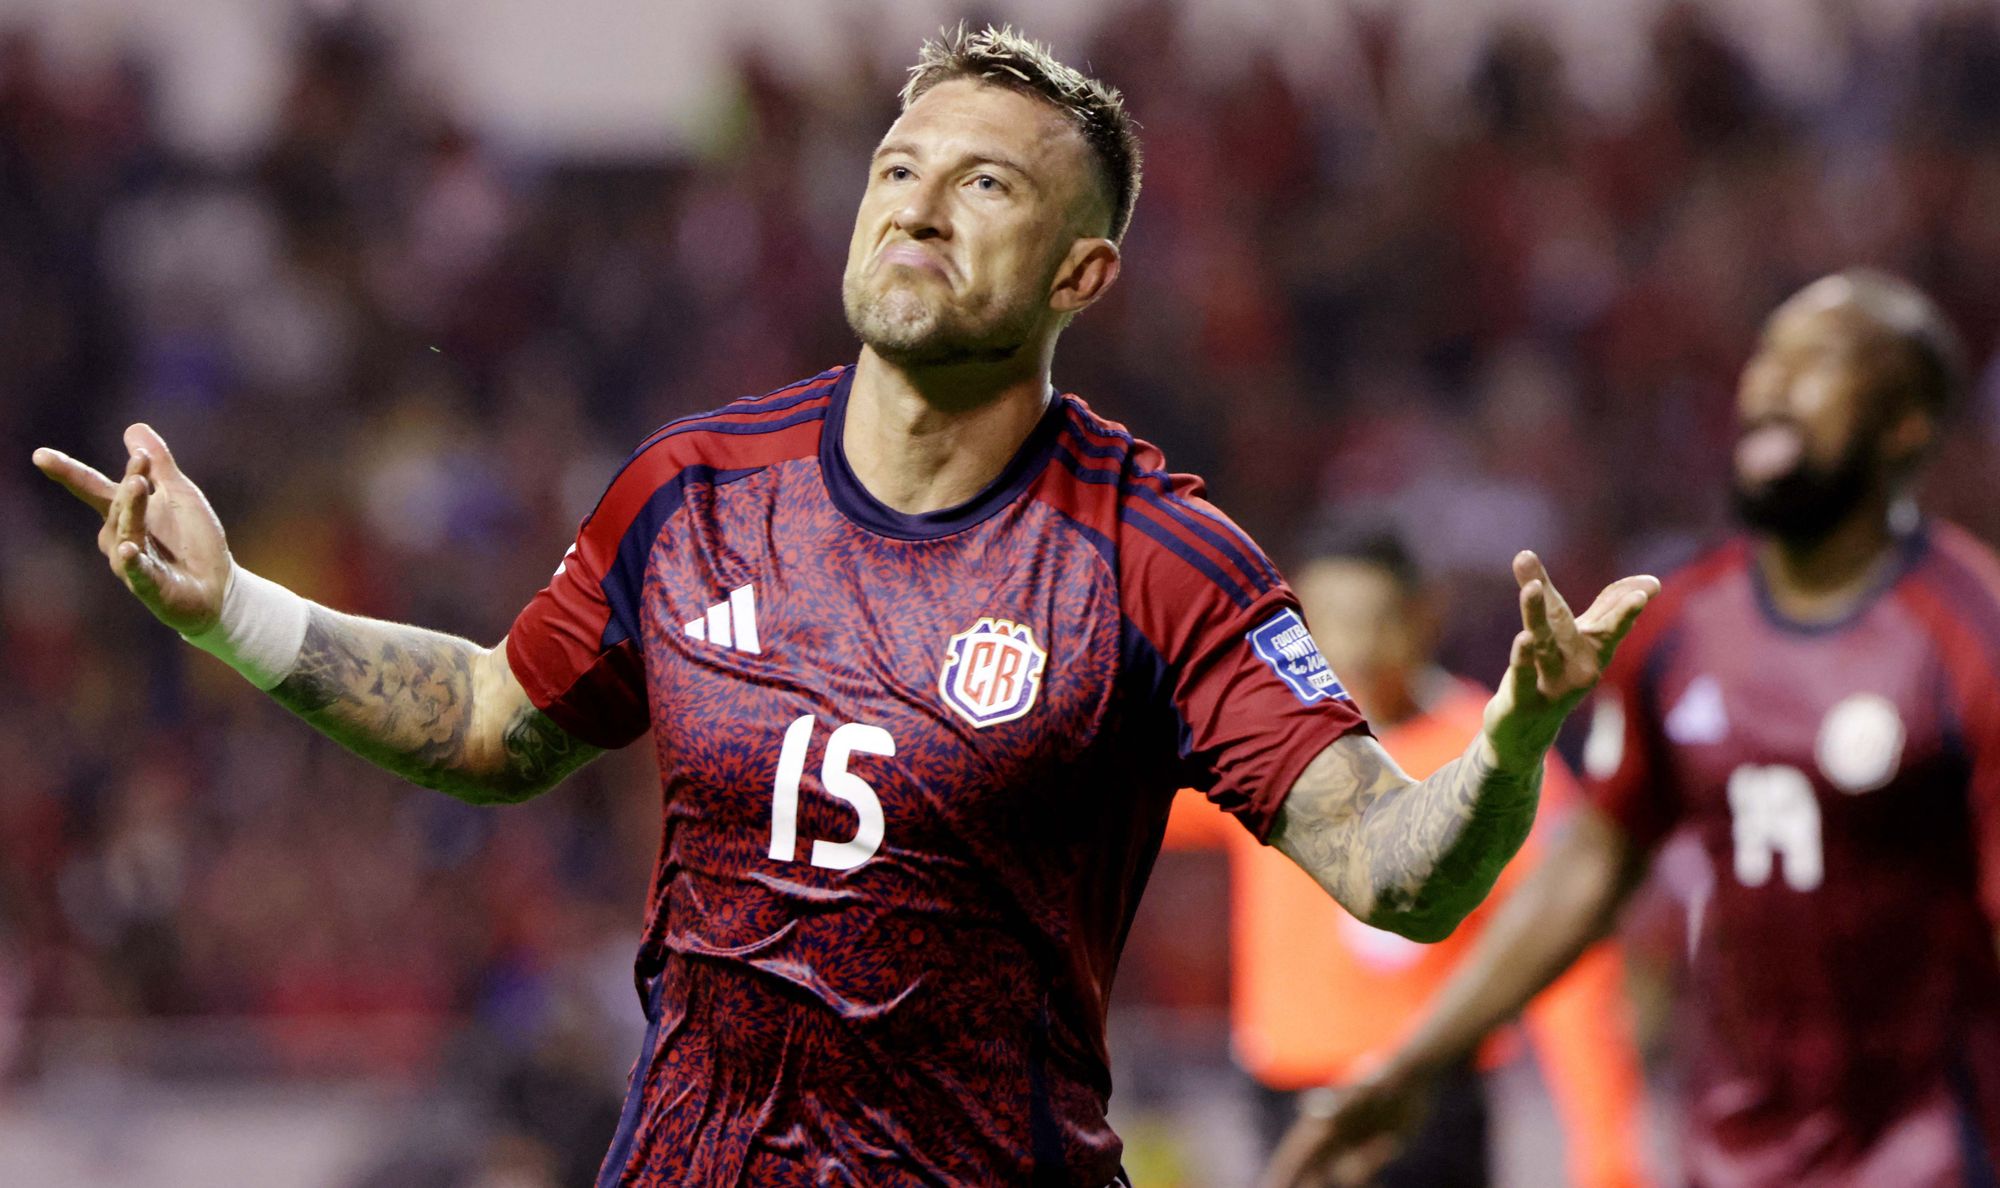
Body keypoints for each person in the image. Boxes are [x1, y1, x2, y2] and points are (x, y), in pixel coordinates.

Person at [33, 26, 1656, 1188]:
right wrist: (233, 609)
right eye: (898, 167)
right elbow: (490, 720)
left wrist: (1512, 741)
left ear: (1082, 275)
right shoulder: (694, 488)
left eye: (986, 184)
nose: (919, 205)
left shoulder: (1157, 560)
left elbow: (1396, 871)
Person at [1265, 269, 2000, 1188]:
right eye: (1767, 357)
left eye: (1820, 362)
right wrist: (1413, 1065)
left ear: (1906, 426)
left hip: (1931, 1159)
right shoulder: (1686, 629)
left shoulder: (1969, 641)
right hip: (1729, 1158)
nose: (1773, 382)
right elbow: (1590, 867)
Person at [1162, 527, 1650, 1188]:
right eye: (1330, 622)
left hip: (1427, 1098)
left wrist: (1607, 1154)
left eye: (1379, 621)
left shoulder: (1493, 748)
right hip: (1284, 1092)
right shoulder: (1267, 746)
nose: (1357, 647)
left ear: (1425, 616)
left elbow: (1569, 952)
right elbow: (1117, 797)